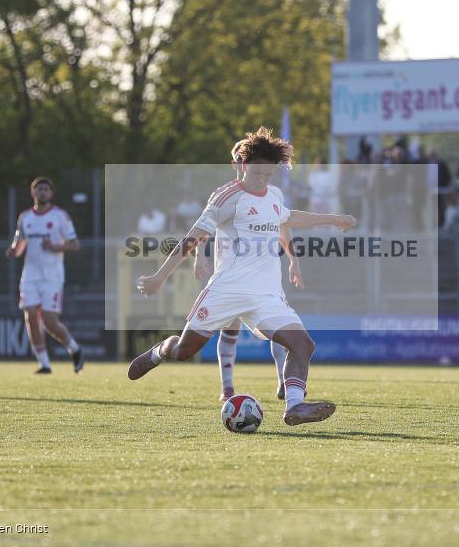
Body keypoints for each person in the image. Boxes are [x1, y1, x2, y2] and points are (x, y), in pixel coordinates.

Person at [128, 127, 357, 426]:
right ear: (244, 166)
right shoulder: (226, 198)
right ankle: (162, 350)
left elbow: (289, 217)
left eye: (268, 174)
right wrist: (160, 276)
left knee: (303, 345)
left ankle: (295, 407)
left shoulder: (273, 195)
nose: (263, 180)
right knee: (185, 351)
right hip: (228, 290)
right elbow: (193, 237)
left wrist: (333, 219)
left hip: (266, 294)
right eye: (258, 173)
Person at [195, 146, 305, 402]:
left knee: (278, 324)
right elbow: (202, 228)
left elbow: (283, 227)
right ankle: (227, 387)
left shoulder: (273, 193)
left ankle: (282, 382)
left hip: (262, 273)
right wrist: (200, 256)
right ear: (236, 165)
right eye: (237, 162)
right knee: (229, 329)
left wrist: (293, 260)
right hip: (231, 272)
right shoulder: (223, 194)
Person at [5, 177, 83, 374]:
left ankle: (74, 348)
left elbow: (74, 244)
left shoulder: (60, 216)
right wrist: (14, 251)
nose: (42, 192)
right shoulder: (25, 217)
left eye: (46, 189)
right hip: (30, 276)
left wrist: (55, 246)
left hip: (52, 277)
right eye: (39, 189)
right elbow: (20, 242)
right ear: (33, 193)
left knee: (49, 321)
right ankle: (44, 364)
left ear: (51, 194)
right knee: (30, 317)